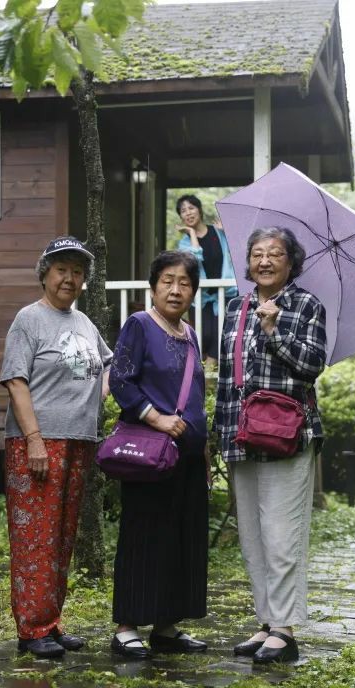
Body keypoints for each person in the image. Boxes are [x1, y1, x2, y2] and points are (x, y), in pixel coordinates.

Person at [214, 226, 327, 664]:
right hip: (241, 437)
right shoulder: (235, 306)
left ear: (290, 262)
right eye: (257, 253)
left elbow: (313, 364)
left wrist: (275, 330)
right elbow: (227, 379)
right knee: (253, 538)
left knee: (282, 536)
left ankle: (285, 628)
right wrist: (220, 438)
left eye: (274, 254)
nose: (264, 261)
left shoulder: (305, 305)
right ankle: (266, 622)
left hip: (287, 438)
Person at [0, 236, 113, 658]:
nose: (70, 278)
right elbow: (15, 380)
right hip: (37, 442)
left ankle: (50, 621)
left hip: (78, 441)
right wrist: (33, 440)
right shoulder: (29, 319)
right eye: (61, 269)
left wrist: (95, 397)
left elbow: (108, 363)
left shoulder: (84, 323)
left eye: (77, 271)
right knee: (35, 537)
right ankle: (31, 629)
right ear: (44, 273)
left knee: (62, 536)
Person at [108, 250, 211, 660]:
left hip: (186, 456)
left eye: (184, 282)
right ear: (153, 287)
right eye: (167, 280)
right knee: (144, 533)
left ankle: (167, 625)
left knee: (182, 536)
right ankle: (127, 625)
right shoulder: (139, 325)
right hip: (150, 453)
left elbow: (196, 396)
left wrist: (201, 448)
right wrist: (157, 418)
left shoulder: (189, 333)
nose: (175, 289)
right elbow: (120, 380)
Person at [175, 194, 238, 363]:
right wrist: (191, 233)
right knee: (203, 336)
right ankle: (201, 376)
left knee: (221, 337)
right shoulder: (184, 243)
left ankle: (208, 379)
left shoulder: (218, 233)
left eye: (191, 208)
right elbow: (193, 262)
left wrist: (228, 230)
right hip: (200, 298)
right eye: (183, 211)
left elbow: (240, 248)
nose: (188, 213)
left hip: (226, 294)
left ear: (199, 210)